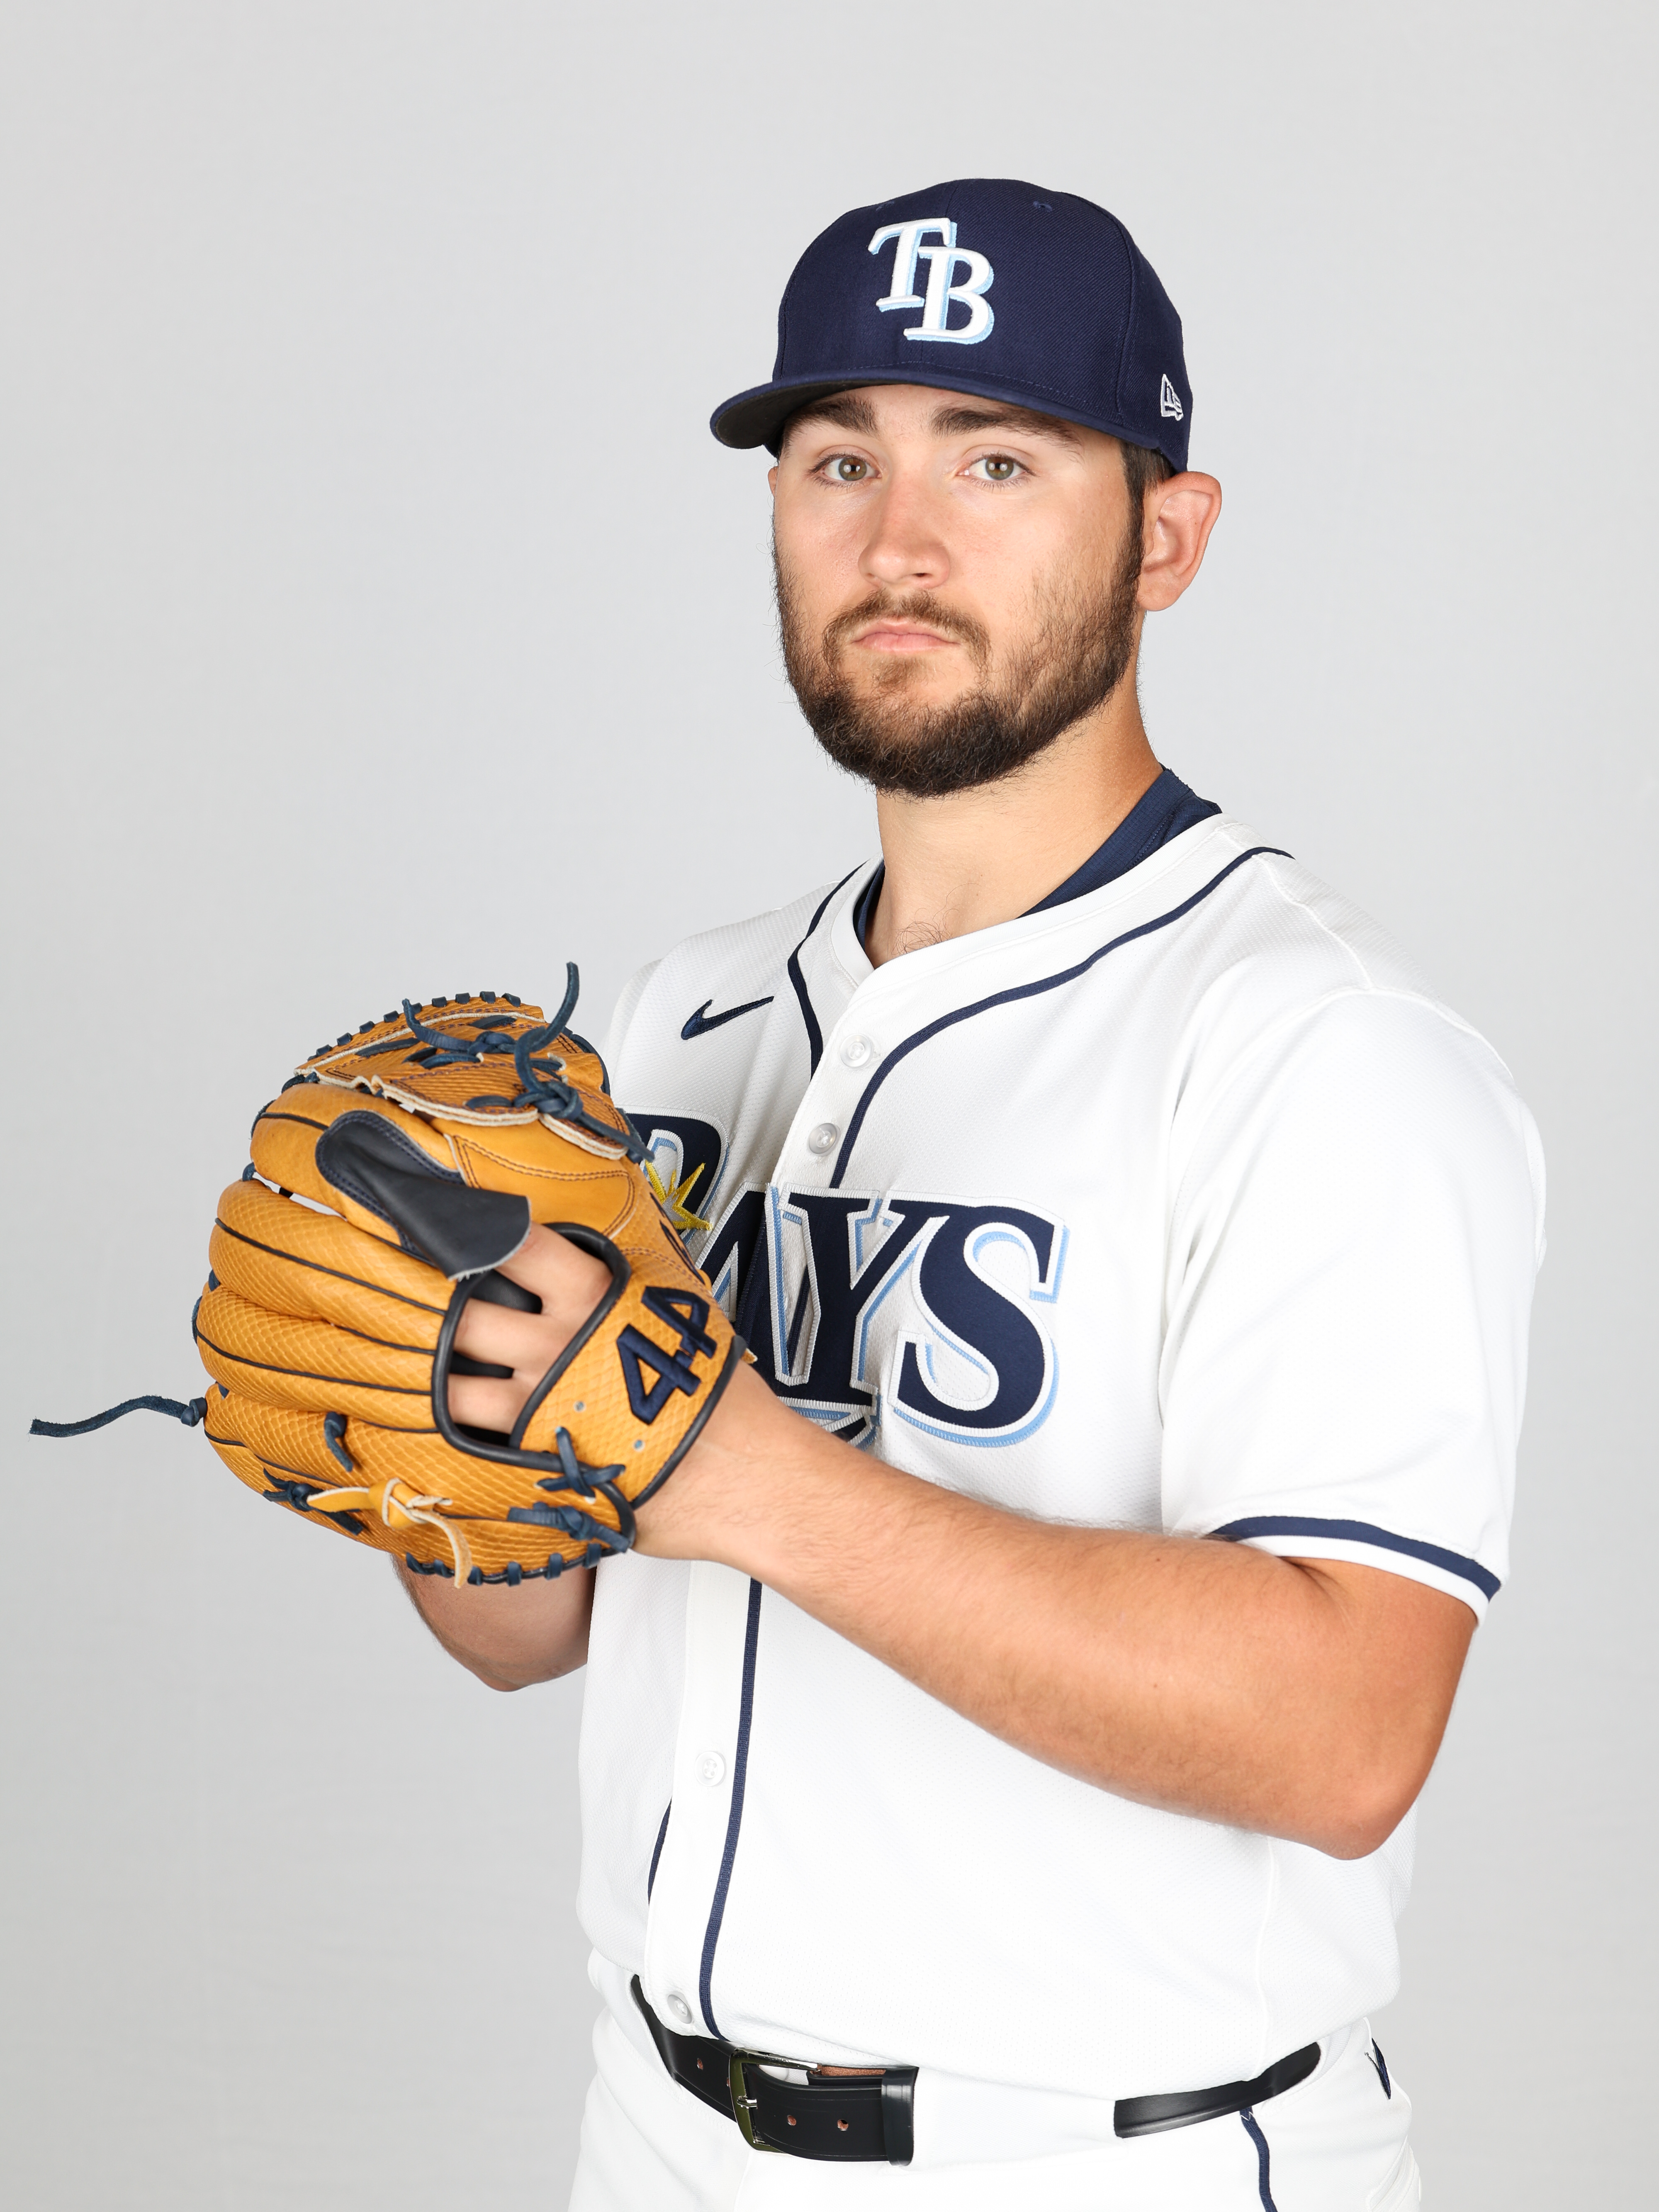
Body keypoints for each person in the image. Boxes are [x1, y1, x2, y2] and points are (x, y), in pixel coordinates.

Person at [399, 180, 1543, 2209]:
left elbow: (1346, 1728)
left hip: (1108, 2164)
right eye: (839, 459)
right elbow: (536, 1631)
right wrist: (425, 1443)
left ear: (1164, 538)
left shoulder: (1317, 1043)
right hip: (653, 2125)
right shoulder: (689, 1011)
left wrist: (727, 1462)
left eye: (995, 458)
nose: (896, 543)